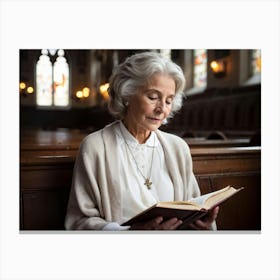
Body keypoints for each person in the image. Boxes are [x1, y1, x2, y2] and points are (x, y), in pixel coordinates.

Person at [65, 51, 219, 230]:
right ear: (127, 95)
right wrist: (132, 233)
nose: (162, 109)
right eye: (153, 97)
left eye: (169, 101)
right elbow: (79, 222)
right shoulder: (96, 147)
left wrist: (201, 224)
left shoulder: (178, 148)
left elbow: (192, 208)